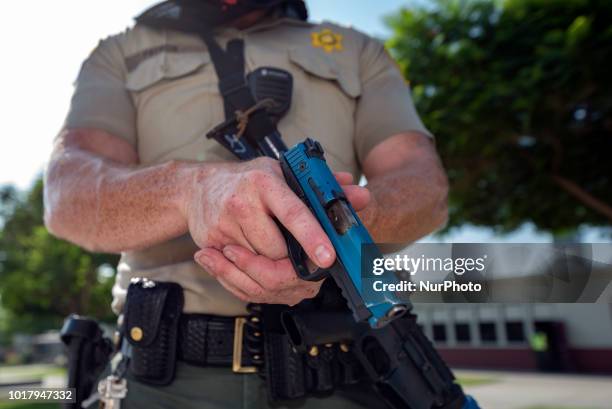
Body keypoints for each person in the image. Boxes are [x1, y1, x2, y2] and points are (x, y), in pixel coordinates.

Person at [44, 0, 449, 408]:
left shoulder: (357, 49)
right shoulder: (119, 52)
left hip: (339, 368)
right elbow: (66, 196)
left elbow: (425, 188)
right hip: (162, 377)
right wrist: (191, 190)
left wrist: (344, 224)